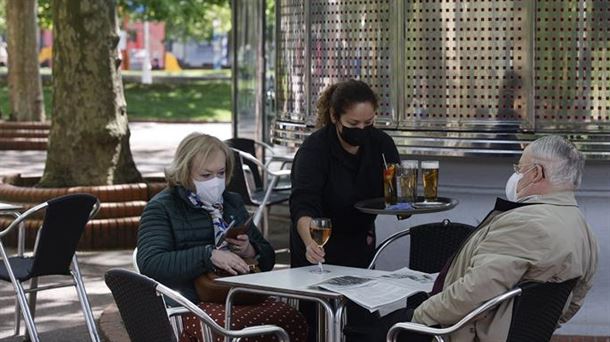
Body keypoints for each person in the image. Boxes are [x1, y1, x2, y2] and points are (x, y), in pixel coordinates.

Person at [365, 135, 599, 342]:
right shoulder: (582, 228)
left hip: (459, 332)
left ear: (536, 173)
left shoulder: (526, 223)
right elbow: (574, 299)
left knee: (373, 330)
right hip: (515, 333)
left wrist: (417, 316)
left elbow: (473, 292)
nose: (516, 175)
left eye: (520, 168)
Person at [137, 132, 307, 341]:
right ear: (184, 173)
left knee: (293, 317)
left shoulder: (230, 202)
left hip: (239, 292)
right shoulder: (162, 207)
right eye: (206, 176)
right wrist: (209, 256)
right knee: (235, 328)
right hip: (191, 299)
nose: (215, 182)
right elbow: (150, 264)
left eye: (220, 173)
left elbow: (268, 256)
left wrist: (250, 249)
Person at [289, 79, 400, 340]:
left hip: (360, 239)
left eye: (368, 123)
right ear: (334, 117)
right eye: (353, 124)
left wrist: (400, 203)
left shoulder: (381, 144)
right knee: (318, 321)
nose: (362, 130)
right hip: (318, 240)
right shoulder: (315, 150)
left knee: (364, 318)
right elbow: (303, 204)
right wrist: (310, 244)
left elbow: (394, 192)